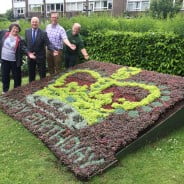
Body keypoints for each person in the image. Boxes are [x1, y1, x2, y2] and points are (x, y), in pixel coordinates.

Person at [0, 23, 35, 94]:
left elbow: (24, 48)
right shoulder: (4, 33)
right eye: (14, 28)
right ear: (10, 28)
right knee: (5, 76)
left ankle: (16, 91)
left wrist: (29, 53)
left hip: (15, 61)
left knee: (17, 77)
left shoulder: (20, 39)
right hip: (4, 60)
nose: (15, 30)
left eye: (17, 29)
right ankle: (5, 91)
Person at [25, 17, 58, 82]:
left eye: (36, 22)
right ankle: (31, 89)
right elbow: (26, 44)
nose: (34, 23)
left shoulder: (43, 33)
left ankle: (43, 87)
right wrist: (28, 53)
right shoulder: (27, 31)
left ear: (38, 23)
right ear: (31, 23)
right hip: (30, 57)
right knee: (31, 75)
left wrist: (54, 50)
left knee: (42, 75)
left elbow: (48, 44)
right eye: (33, 22)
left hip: (40, 57)